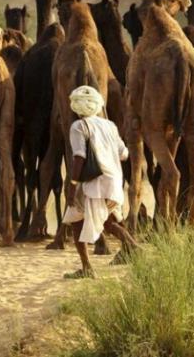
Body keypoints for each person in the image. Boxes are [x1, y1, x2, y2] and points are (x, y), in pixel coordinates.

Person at [62, 85, 138, 279]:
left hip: (93, 183)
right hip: (113, 182)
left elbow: (79, 156)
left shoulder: (78, 126)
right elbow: (124, 154)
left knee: (76, 218)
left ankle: (90, 266)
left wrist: (72, 185)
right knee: (106, 221)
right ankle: (132, 247)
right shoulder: (110, 125)